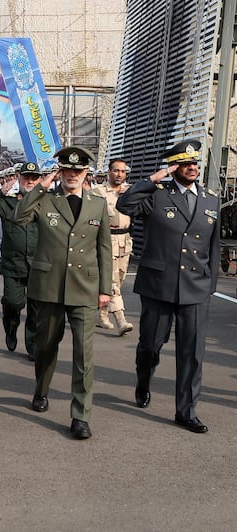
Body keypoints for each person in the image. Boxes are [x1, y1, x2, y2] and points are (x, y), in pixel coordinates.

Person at [116, 139, 220, 433]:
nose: (192, 168)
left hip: (195, 288)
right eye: (185, 163)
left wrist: (209, 284)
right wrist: (151, 179)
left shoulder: (211, 199)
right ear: (174, 166)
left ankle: (186, 411)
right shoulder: (157, 194)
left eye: (195, 163)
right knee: (151, 345)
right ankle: (143, 379)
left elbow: (212, 246)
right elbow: (126, 204)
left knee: (192, 352)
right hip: (159, 285)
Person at [13, 146, 112, 440]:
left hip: (84, 286)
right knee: (45, 346)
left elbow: (104, 248)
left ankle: (80, 415)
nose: (72, 176)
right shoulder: (46, 199)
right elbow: (19, 218)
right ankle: (41, 389)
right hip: (49, 286)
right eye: (66, 170)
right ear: (59, 172)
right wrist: (41, 186)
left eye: (78, 171)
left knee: (84, 354)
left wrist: (105, 288)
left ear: (86, 174)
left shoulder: (97, 204)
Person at [0, 161, 40, 359]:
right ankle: (11, 327)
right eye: (26, 177)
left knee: (36, 307)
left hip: (38, 265)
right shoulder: (8, 202)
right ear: (19, 179)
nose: (30, 181)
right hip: (13, 264)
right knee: (13, 303)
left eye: (34, 178)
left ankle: (33, 344)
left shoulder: (47, 202)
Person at [92, 158, 134, 336]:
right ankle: (120, 319)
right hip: (106, 239)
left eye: (123, 171)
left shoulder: (130, 191)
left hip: (125, 240)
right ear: (109, 172)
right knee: (112, 280)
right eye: (116, 171)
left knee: (121, 278)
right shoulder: (98, 192)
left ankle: (101, 314)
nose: (119, 175)